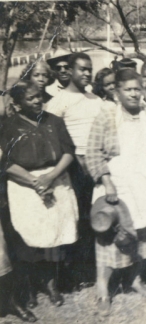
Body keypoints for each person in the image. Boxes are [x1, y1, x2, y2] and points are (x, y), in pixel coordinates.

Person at [86, 68, 146, 315]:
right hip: (117, 185)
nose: (134, 94)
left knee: (142, 235)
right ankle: (103, 289)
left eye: (137, 89)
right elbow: (93, 152)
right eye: (128, 89)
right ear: (117, 92)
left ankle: (135, 278)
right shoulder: (106, 117)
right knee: (110, 237)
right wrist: (107, 183)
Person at [1, 81, 79, 309]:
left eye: (38, 96)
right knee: (30, 236)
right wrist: (35, 182)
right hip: (24, 185)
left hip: (56, 180)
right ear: (16, 103)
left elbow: (68, 152)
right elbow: (5, 162)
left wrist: (50, 177)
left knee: (54, 237)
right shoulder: (8, 127)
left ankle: (51, 284)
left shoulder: (54, 121)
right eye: (30, 98)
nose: (37, 101)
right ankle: (31, 286)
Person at [46, 52, 104, 271]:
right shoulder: (58, 102)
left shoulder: (96, 100)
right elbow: (51, 138)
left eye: (90, 69)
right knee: (73, 215)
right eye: (82, 69)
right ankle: (71, 268)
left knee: (93, 214)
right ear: (69, 71)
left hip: (96, 163)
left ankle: (90, 264)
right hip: (71, 165)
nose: (87, 73)